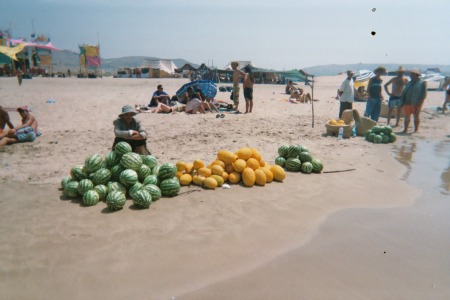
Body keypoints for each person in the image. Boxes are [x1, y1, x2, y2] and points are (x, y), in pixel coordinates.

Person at [401, 69, 427, 133]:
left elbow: (424, 94)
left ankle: (416, 130)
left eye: (412, 74)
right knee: (407, 117)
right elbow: (404, 92)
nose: (411, 75)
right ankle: (405, 129)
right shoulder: (409, 83)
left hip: (416, 103)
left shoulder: (422, 83)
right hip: (407, 102)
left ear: (416, 75)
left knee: (416, 116)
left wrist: (420, 102)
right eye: (411, 74)